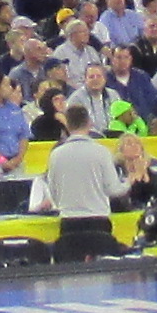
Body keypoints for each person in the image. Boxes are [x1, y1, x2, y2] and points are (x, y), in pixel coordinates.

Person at [36, 100, 122, 262]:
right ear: (89, 123)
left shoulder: (56, 154)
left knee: (71, 271)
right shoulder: (102, 152)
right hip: (98, 222)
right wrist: (129, 181)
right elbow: (114, 190)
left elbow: (54, 192)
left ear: (67, 125)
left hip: (70, 222)